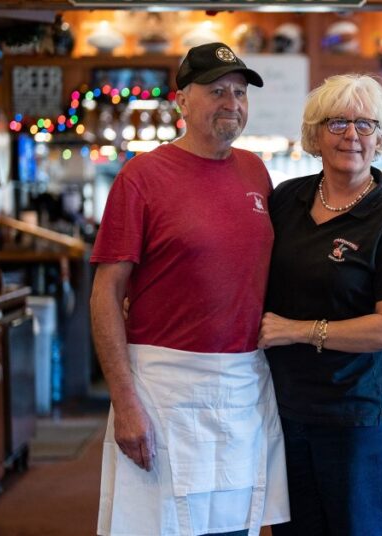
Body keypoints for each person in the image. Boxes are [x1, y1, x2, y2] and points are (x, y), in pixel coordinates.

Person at [90, 42, 289, 536]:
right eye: (217, 90)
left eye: (240, 93)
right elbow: (106, 294)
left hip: (242, 383)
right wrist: (125, 401)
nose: (232, 103)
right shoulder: (141, 177)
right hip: (162, 389)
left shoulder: (256, 171)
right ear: (182, 100)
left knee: (233, 529)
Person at [258, 74, 382, 536]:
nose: (351, 135)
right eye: (336, 123)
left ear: (381, 137)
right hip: (284, 409)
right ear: (315, 134)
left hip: (355, 417)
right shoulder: (285, 200)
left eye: (365, 124)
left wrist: (297, 330)